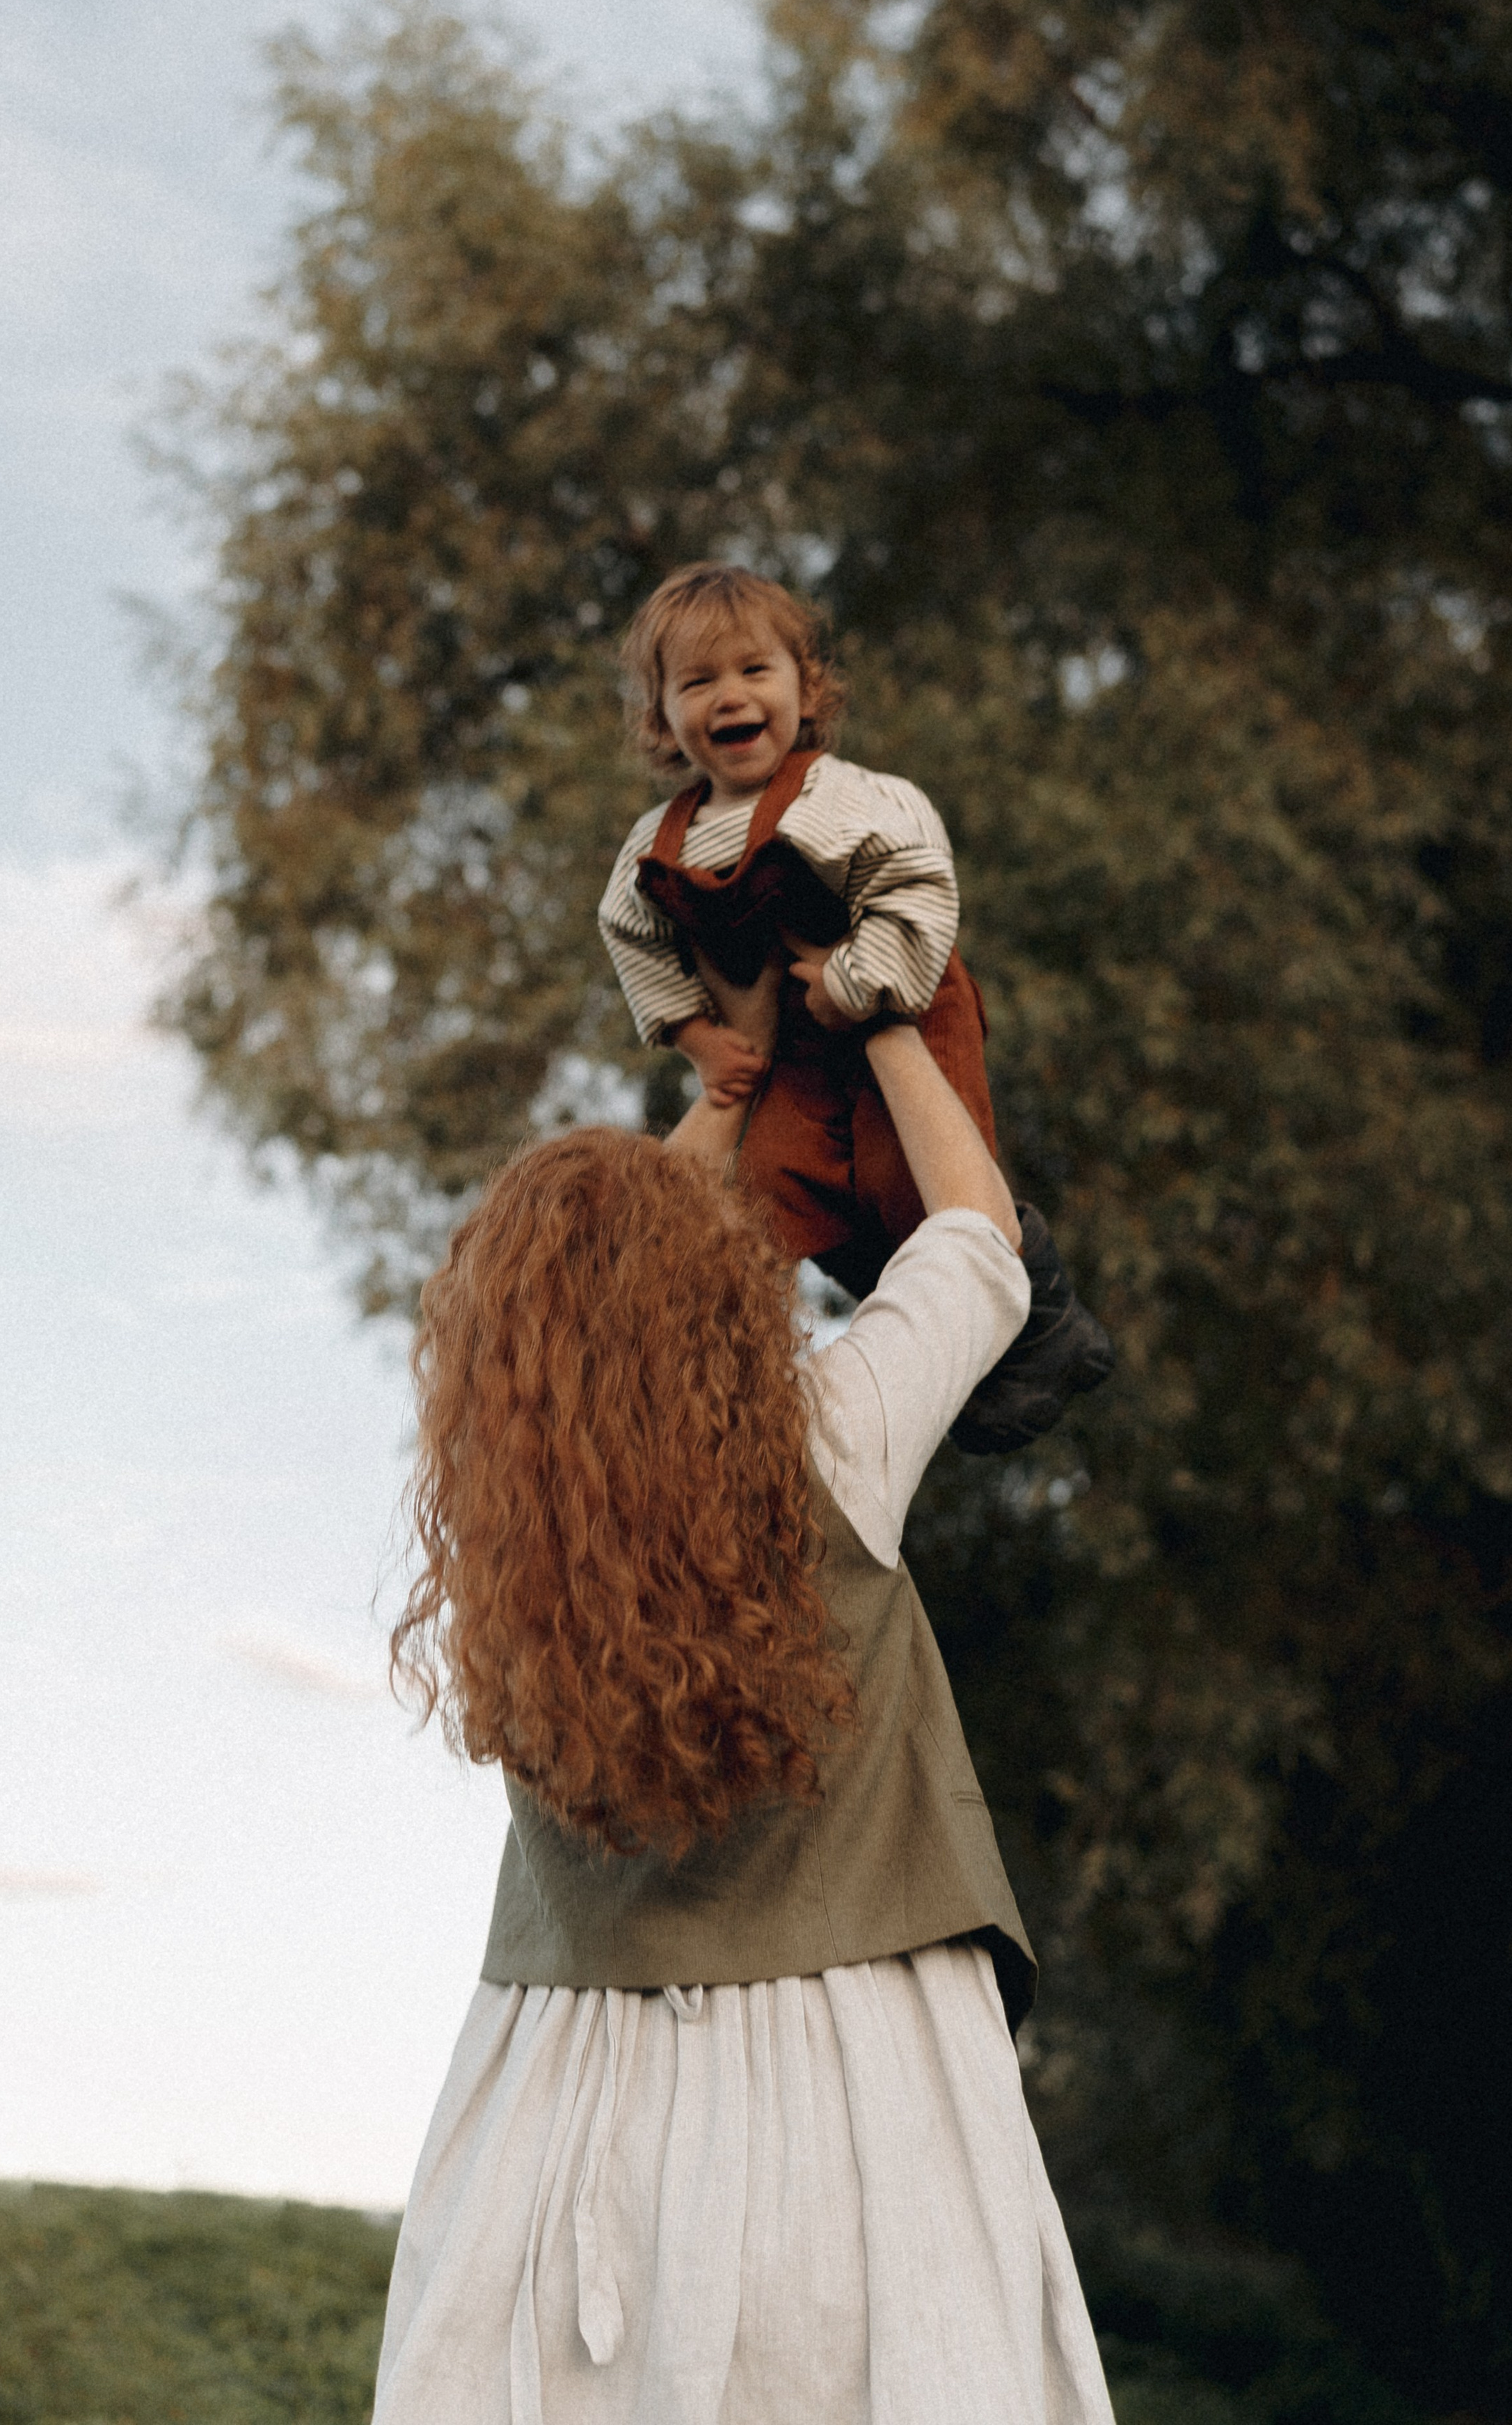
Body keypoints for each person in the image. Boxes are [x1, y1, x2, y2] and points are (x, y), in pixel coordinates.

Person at [372, 1021, 1116, 2425]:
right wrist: (889, 1023)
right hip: (847, 2089)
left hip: (560, 2105)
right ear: (712, 1293)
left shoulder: (511, 1555)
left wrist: (726, 1095)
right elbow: (972, 1245)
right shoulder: (832, 1449)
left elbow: (589, 1313)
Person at [597, 560, 1112, 1453]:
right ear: (662, 717)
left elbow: (917, 885)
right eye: (697, 681)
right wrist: (697, 1041)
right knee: (766, 1200)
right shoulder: (657, 842)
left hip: (893, 1002)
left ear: (805, 686)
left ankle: (1032, 1320)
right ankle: (783, 1379)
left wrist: (853, 983)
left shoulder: (847, 798)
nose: (730, 696)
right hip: (788, 1052)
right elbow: (631, 939)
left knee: (902, 1177)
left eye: (755, 671)